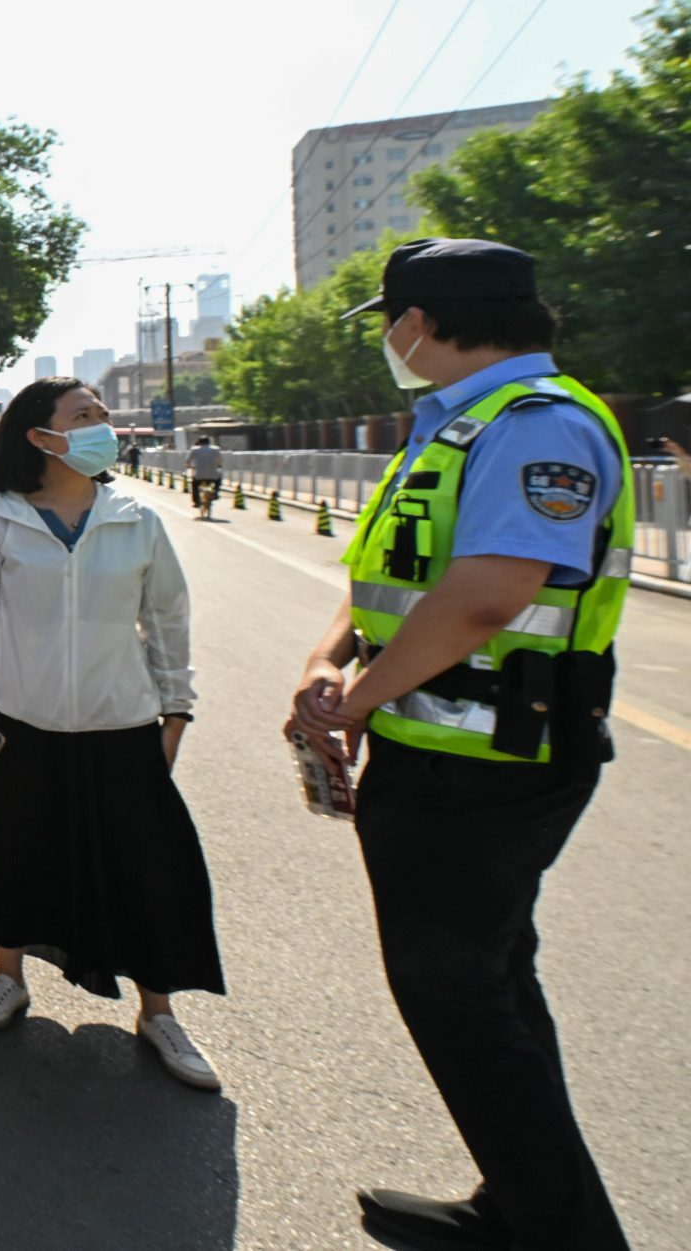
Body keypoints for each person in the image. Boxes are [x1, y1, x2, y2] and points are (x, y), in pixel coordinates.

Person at [287, 238, 636, 1251]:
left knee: (458, 995)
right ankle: (523, 1203)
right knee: (489, 986)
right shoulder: (458, 425)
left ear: (417, 323)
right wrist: (328, 660)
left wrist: (356, 701)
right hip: (442, 755)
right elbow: (388, 575)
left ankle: (560, 1230)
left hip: (491, 764)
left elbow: (488, 593)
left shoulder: (538, 426)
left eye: (388, 323)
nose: (388, 341)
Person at [0, 378, 223, 1089]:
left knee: (146, 867)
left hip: (120, 720)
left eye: (102, 414)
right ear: (40, 436)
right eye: (84, 415)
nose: (103, 425)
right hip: (16, 719)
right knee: (11, 848)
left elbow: (168, 617)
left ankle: (159, 1010)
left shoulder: (136, 518)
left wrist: (177, 709)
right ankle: (7, 976)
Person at [187, 433, 225, 514]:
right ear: (209, 442)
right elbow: (221, 460)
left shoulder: (195, 450)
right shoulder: (216, 449)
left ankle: (196, 501)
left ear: (199, 442)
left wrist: (190, 467)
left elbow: (188, 461)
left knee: (194, 485)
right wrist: (219, 465)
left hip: (199, 475)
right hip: (213, 475)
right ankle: (215, 493)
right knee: (218, 480)